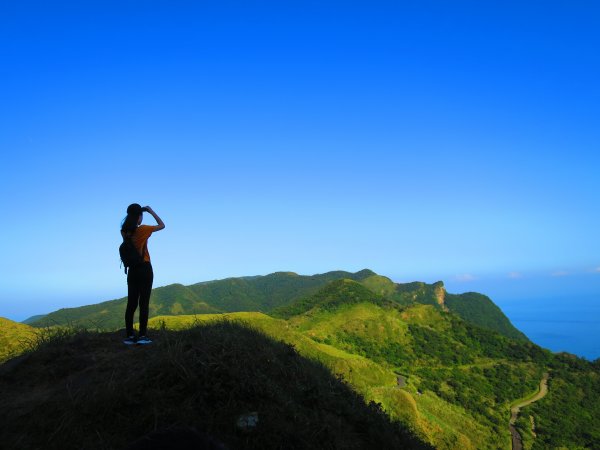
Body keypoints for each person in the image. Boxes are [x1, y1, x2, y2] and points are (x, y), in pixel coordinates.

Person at [120, 203, 165, 345]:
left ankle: (129, 336)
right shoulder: (143, 229)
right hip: (145, 269)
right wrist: (151, 211)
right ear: (139, 216)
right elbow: (162, 225)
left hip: (132, 270)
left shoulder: (124, 232)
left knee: (131, 304)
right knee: (143, 303)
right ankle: (143, 336)